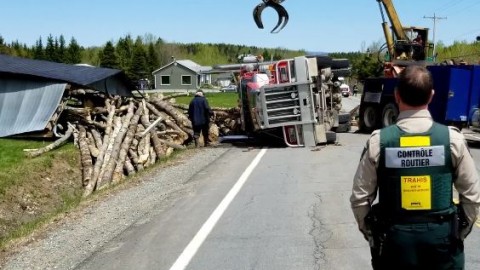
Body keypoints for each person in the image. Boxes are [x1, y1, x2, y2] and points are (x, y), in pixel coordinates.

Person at [350, 65, 480, 269]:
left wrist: (372, 234)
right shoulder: (453, 140)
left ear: (396, 95)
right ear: (432, 96)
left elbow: (360, 198)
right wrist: (459, 232)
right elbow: (472, 196)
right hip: (442, 242)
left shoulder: (379, 142)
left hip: (394, 241)